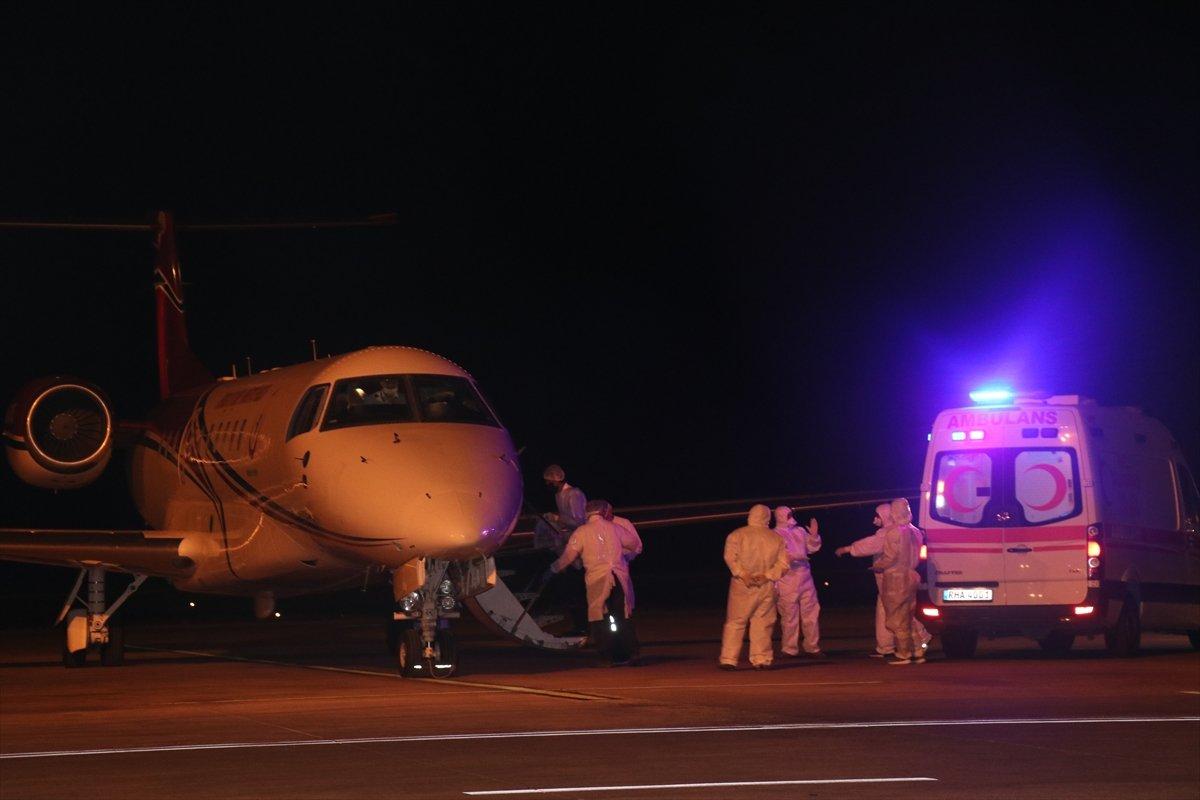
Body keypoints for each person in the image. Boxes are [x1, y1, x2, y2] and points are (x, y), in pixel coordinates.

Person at [548, 499, 641, 665]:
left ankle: (607, 654)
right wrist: (620, 556)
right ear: (604, 512)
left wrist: (553, 569)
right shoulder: (616, 527)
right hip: (618, 576)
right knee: (622, 615)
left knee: (598, 615)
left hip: (597, 578)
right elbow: (634, 544)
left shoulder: (581, 532)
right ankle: (628, 652)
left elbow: (569, 556)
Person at [836, 504, 931, 659]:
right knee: (893, 613)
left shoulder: (891, 533)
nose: (875, 519)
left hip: (894, 580)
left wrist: (850, 550)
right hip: (909, 577)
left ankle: (911, 647)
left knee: (898, 616)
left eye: (878, 515)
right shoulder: (914, 531)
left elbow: (877, 549)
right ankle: (887, 646)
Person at [719, 504, 790, 670]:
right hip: (766, 585)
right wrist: (767, 576)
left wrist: (742, 574)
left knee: (736, 622)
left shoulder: (737, 535)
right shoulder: (777, 538)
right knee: (763, 622)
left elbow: (730, 557)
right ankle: (762, 658)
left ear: (750, 515)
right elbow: (784, 563)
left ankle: (729, 659)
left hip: (742, 585)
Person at [868, 498, 922, 665]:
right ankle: (918, 651)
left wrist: (877, 565)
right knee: (908, 615)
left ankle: (903, 653)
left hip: (896, 579)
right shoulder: (916, 531)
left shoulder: (894, 532)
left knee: (896, 619)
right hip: (912, 576)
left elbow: (890, 557)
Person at [773, 506, 825, 658]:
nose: (791, 516)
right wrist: (794, 557)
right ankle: (789, 649)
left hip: (805, 578)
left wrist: (814, 536)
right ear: (781, 516)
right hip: (786, 579)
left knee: (812, 614)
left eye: (791, 514)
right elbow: (779, 555)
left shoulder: (800, 531)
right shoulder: (775, 534)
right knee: (789, 616)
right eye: (788, 514)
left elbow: (812, 548)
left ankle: (812, 647)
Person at [534, 464, 588, 553]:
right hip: (568, 532)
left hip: (578, 535)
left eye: (549, 482)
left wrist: (557, 518)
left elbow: (578, 522)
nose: (547, 484)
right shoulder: (559, 494)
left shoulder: (574, 493)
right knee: (543, 524)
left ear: (556, 481)